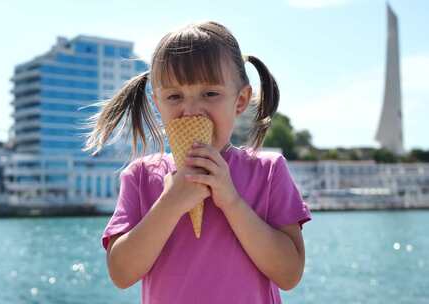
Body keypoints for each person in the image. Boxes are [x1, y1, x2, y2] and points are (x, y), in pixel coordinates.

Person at [83, 20, 312, 304]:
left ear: (240, 100)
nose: (190, 110)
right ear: (158, 103)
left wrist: (232, 201)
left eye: (210, 94)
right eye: (174, 96)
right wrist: (170, 203)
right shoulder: (141, 176)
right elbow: (121, 273)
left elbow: (289, 274)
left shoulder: (267, 171)